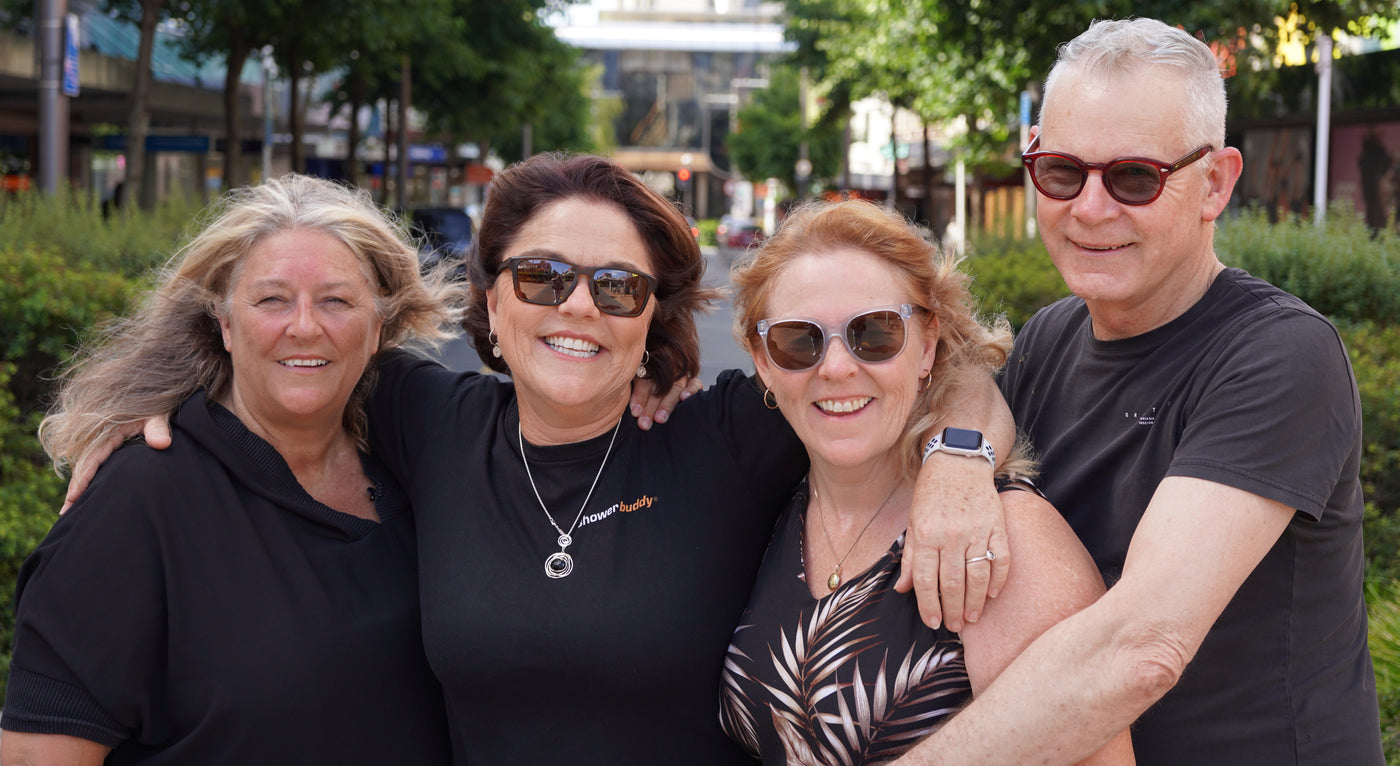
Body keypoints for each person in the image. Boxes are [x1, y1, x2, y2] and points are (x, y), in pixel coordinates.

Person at [56, 154, 1016, 764]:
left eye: (618, 286)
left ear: (654, 317)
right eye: (544, 276)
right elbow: (288, 346)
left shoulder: (725, 432)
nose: (578, 307)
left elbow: (940, 363)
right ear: (492, 300)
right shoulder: (425, 416)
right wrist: (130, 417)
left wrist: (961, 461)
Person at [891, 18, 1382, 766]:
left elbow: (1141, 646)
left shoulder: (1281, 355)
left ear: (1214, 183)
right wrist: (956, 457)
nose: (1090, 208)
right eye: (1060, 171)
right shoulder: (1055, 333)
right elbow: (970, 378)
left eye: (1133, 177)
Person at [0, 175, 457, 764]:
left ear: (378, 329)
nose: (303, 326)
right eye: (271, 299)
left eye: (336, 301)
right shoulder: (141, 501)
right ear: (224, 323)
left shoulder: (418, 472)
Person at [716, 199, 1133, 765]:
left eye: (876, 333)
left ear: (927, 345)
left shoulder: (1001, 540)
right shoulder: (771, 498)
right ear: (763, 362)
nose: (836, 367)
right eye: (799, 341)